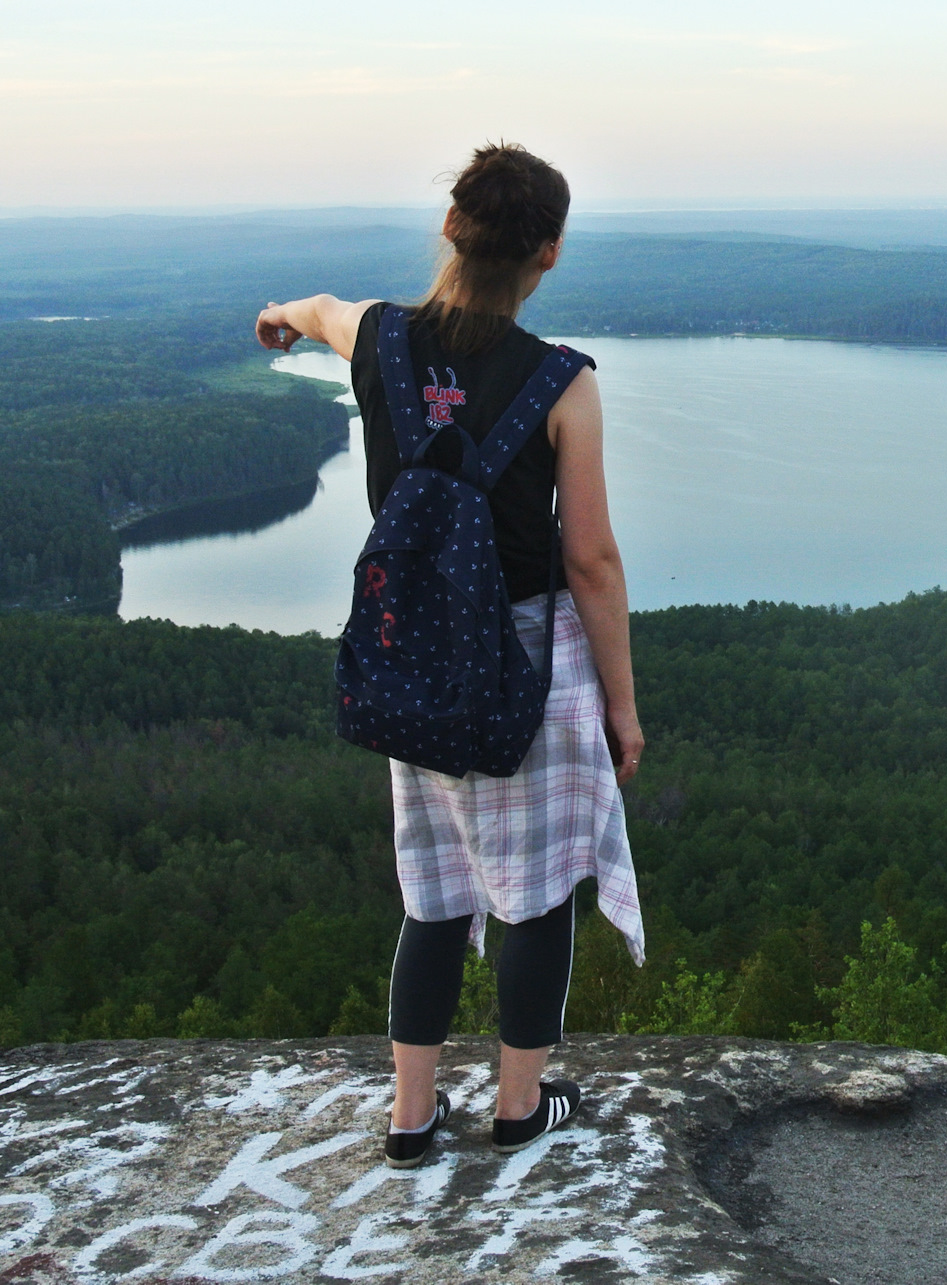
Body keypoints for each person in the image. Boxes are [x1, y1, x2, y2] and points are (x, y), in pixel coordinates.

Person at [254, 143, 646, 1168]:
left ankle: (411, 1117)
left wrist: (281, 317)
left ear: (449, 229)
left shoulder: (379, 339)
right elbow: (592, 562)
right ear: (548, 255)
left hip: (415, 650)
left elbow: (324, 308)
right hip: (527, 662)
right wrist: (624, 708)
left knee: (434, 893)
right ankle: (520, 1106)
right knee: (542, 892)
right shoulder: (564, 383)